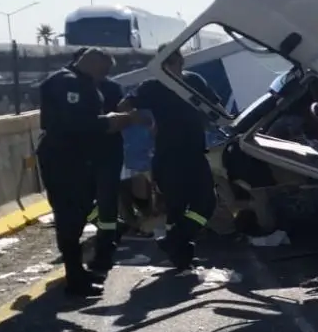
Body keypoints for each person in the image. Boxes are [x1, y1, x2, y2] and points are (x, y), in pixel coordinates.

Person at [36, 48, 141, 296]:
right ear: (92, 63)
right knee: (69, 215)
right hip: (63, 159)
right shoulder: (67, 83)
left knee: (77, 213)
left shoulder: (80, 82)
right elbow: (74, 123)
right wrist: (109, 122)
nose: (103, 77)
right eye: (103, 70)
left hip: (76, 160)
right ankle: (75, 278)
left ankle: (76, 272)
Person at [118, 43, 218, 270]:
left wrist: (209, 119)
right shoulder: (152, 87)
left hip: (194, 152)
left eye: (178, 58)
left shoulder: (194, 81)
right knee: (176, 207)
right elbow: (124, 106)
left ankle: (175, 240)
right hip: (168, 156)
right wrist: (144, 121)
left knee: (207, 203)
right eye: (170, 60)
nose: (177, 63)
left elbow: (214, 105)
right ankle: (181, 255)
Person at [87, 72, 126, 275]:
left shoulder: (111, 88)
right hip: (83, 152)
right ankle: (114, 229)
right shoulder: (74, 87)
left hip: (107, 151)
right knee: (80, 200)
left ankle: (104, 253)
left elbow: (120, 118)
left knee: (107, 202)